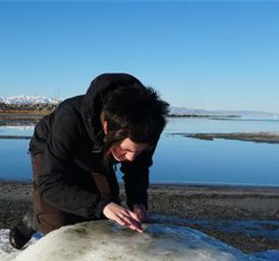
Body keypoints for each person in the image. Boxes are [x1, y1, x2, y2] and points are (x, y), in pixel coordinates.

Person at [9, 73, 169, 249]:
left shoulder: (147, 126)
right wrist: (102, 205)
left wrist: (137, 202)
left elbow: (137, 169)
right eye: (126, 149)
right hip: (51, 148)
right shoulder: (70, 119)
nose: (131, 157)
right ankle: (34, 219)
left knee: (103, 217)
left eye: (139, 151)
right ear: (108, 127)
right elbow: (50, 183)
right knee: (59, 226)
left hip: (100, 151)